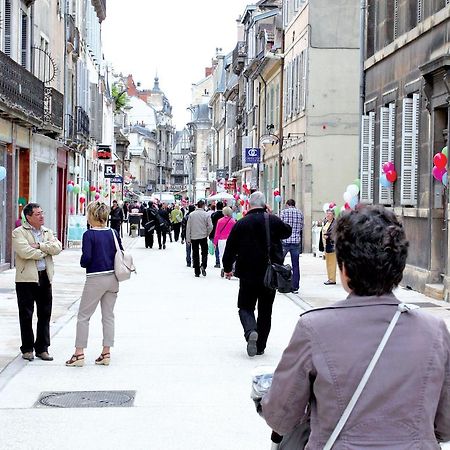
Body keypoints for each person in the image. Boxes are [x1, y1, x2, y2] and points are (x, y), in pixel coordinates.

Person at [261, 205, 450, 448]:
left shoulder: (314, 328)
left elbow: (281, 417)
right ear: (400, 268)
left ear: (345, 269)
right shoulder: (434, 331)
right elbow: (444, 425)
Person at [222, 192, 291, 357]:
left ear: (249, 205)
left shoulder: (242, 223)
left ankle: (251, 331)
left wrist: (227, 268)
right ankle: (260, 346)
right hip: (269, 275)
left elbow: (230, 247)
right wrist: (271, 214)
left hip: (247, 274)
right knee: (266, 311)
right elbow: (287, 231)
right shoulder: (272, 220)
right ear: (265, 204)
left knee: (245, 307)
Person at [66, 201, 123, 367]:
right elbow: (120, 252)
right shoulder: (113, 232)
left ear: (92, 216)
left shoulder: (89, 235)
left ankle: (79, 354)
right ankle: (106, 352)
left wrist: (84, 262)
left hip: (95, 278)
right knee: (108, 316)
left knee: (84, 316)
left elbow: (86, 259)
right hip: (113, 278)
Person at [12, 203, 62, 361]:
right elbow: (25, 251)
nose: (42, 216)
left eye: (42, 213)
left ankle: (42, 348)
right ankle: (27, 349)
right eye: (38, 214)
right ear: (28, 217)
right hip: (26, 279)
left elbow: (57, 247)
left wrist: (40, 245)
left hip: (45, 276)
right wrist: (44, 251)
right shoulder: (18, 233)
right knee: (26, 314)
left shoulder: (47, 232)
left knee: (45, 313)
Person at [279, 199, 304, 294]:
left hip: (285, 240)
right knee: (296, 264)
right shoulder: (300, 213)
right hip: (295, 241)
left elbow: (280, 226)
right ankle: (295, 286)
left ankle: (279, 283)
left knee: (279, 262)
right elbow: (301, 226)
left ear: (287, 205)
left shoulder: (284, 212)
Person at [186, 200, 213, 277]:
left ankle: (197, 271)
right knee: (204, 252)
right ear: (203, 205)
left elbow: (188, 228)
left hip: (194, 236)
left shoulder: (191, 215)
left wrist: (188, 238)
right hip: (203, 236)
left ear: (197, 205)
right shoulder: (206, 214)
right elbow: (210, 226)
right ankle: (203, 265)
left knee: (195, 253)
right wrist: (207, 233)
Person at [213, 206, 236, 277]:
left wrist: (215, 242)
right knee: (231, 255)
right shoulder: (233, 221)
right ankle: (230, 269)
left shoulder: (220, 221)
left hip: (221, 240)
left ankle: (225, 268)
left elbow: (217, 232)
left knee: (223, 255)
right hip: (230, 240)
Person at [319, 208, 337, 285]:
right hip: (326, 245)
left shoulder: (335, 223)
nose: (328, 215)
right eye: (327, 213)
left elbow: (335, 233)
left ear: (333, 215)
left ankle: (332, 279)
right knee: (328, 263)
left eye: (329, 214)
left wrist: (328, 237)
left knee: (332, 263)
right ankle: (330, 278)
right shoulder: (326, 222)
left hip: (332, 245)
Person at [210, 201, 224, 268]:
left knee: (217, 248)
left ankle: (217, 262)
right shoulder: (225, 215)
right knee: (223, 248)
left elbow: (211, 225)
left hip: (214, 233)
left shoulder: (213, 215)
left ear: (216, 207)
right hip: (223, 234)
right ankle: (222, 261)